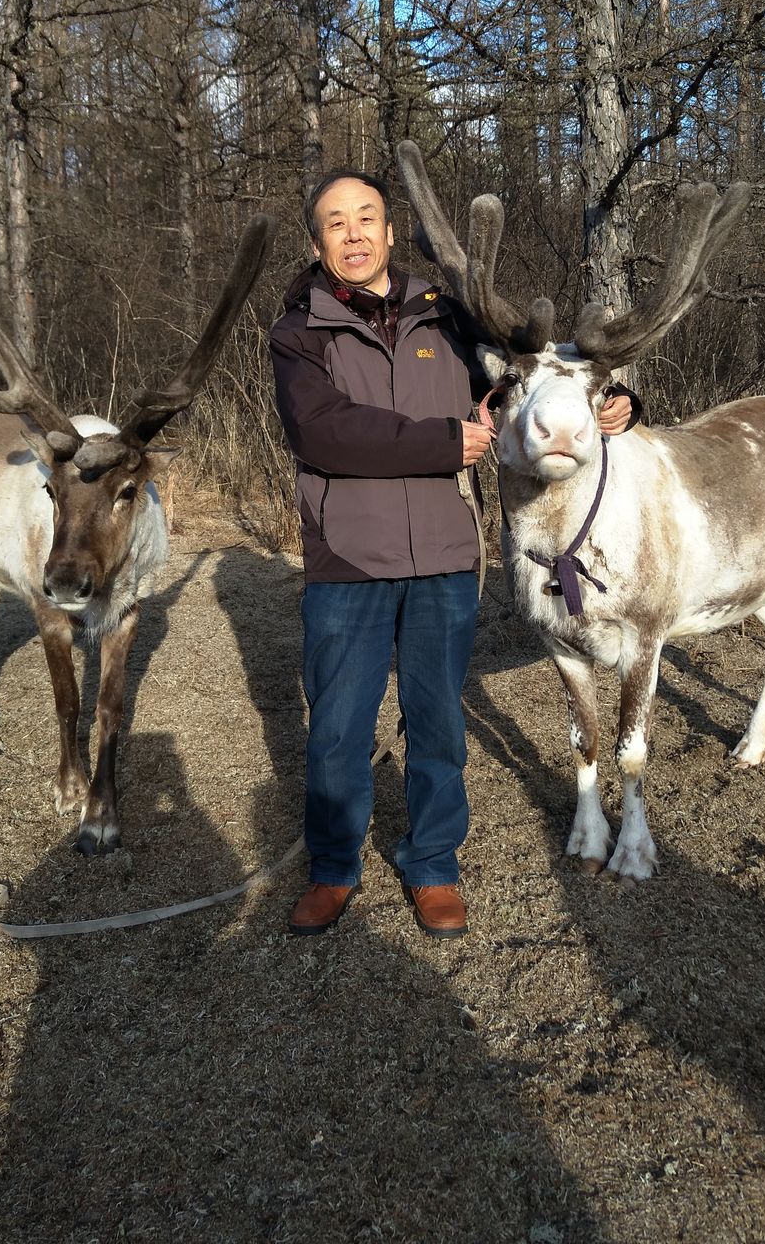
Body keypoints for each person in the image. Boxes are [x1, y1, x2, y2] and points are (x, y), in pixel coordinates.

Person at [270, 168, 633, 938]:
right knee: (338, 726)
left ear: (391, 232)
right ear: (318, 241)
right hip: (348, 561)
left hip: (441, 558)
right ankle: (334, 869)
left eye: (367, 217)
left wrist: (617, 407)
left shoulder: (447, 316)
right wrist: (441, 442)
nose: (355, 233)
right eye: (337, 223)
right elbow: (321, 432)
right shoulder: (299, 331)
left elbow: (532, 375)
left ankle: (433, 865)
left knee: (436, 723)